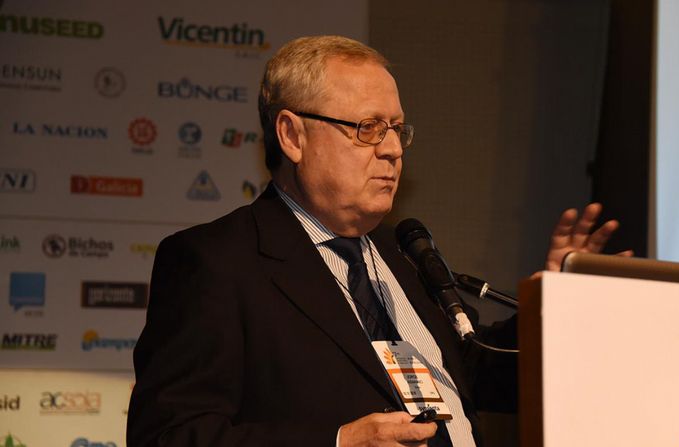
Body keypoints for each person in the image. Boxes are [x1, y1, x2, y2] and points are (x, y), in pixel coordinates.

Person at [127, 35, 627, 447]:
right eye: (367, 128)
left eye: (396, 129)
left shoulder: (402, 253)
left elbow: (479, 371)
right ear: (293, 136)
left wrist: (556, 305)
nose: (391, 150)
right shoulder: (216, 262)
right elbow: (166, 436)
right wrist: (338, 443)